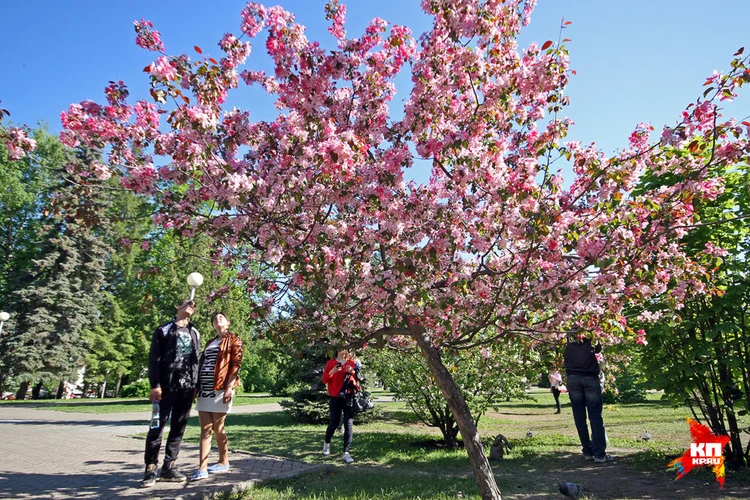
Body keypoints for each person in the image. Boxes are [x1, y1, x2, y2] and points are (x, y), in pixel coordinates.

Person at [142, 299, 201, 488]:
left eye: (193, 305)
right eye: (187, 303)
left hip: (186, 389)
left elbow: (196, 361)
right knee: (156, 427)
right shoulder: (164, 330)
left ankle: (169, 467)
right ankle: (150, 468)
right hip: (165, 388)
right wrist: (155, 385)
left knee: (178, 428)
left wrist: (195, 387)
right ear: (177, 307)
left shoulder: (194, 332)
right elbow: (154, 359)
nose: (191, 306)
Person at [190, 312, 244, 481]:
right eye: (214, 319)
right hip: (205, 389)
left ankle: (224, 461)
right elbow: (203, 363)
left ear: (228, 322)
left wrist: (229, 388)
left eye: (221, 317)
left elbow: (236, 364)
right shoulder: (210, 342)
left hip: (221, 389)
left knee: (217, 428)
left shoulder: (234, 339)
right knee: (205, 429)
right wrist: (196, 387)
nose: (217, 319)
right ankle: (202, 468)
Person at [564, 331, 612, 464]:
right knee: (595, 417)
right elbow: (598, 348)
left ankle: (587, 451)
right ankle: (599, 454)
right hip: (590, 378)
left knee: (579, 417)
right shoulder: (591, 341)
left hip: (573, 378)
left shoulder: (569, 342)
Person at [321, 349, 359, 464]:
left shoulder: (350, 362)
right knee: (334, 422)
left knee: (348, 424)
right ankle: (327, 443)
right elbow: (324, 380)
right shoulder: (331, 363)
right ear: (337, 349)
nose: (345, 350)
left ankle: (346, 452)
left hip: (348, 396)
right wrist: (332, 371)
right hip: (335, 397)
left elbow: (357, 378)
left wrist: (352, 371)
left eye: (346, 348)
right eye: (342, 347)